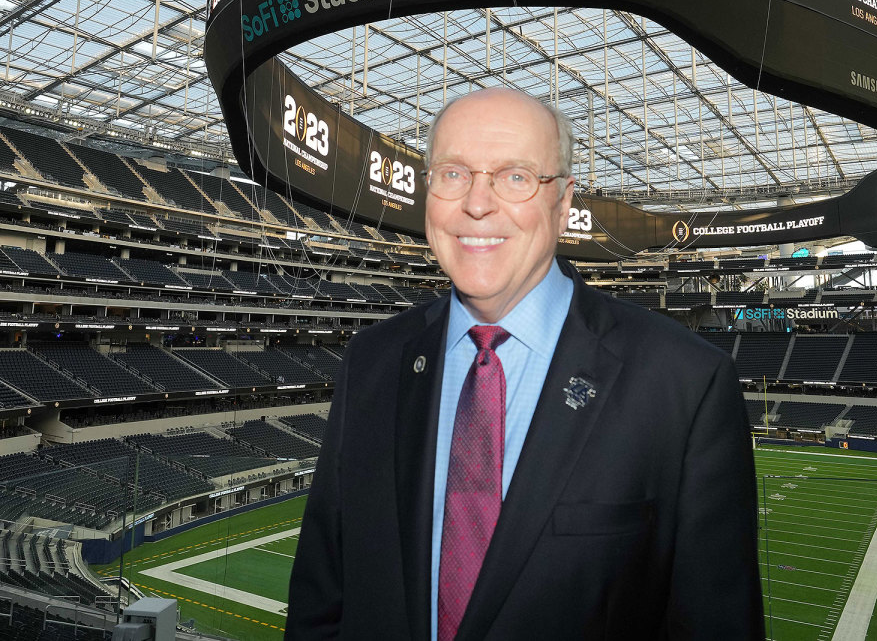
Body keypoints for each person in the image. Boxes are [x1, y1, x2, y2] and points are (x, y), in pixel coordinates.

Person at [285, 87, 764, 640]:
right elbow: (320, 607)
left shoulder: (684, 384)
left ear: (563, 203)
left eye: (514, 176)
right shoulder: (370, 364)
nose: (477, 203)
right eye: (453, 173)